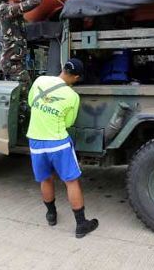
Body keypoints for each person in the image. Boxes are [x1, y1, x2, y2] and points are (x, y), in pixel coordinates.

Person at [26, 58, 98, 239]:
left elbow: (30, 103)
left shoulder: (40, 81)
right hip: (58, 142)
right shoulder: (72, 96)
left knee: (45, 179)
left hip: (35, 141)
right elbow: (69, 123)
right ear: (76, 77)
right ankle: (81, 224)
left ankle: (51, 215)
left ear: (62, 69)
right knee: (71, 181)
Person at [0, 0, 45, 86]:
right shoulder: (5, 9)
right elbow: (34, 1)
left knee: (22, 93)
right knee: (23, 93)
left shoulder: (11, 5)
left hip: (15, 61)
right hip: (12, 63)